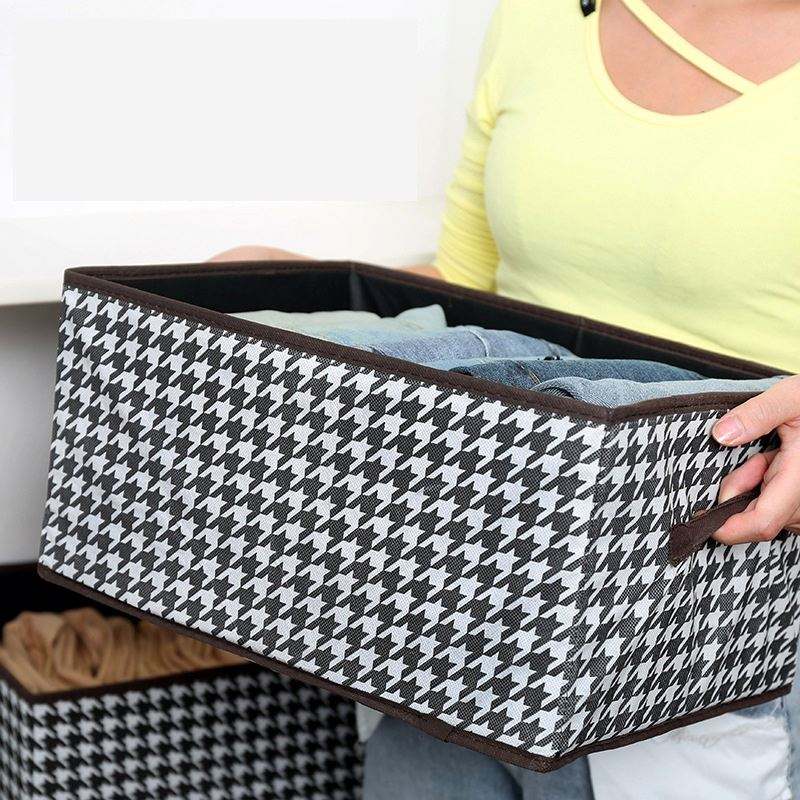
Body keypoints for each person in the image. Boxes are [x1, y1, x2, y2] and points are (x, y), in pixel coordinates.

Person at [212, 0, 800, 795]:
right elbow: (472, 294)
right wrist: (297, 297)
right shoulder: (542, 13)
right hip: (468, 575)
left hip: (715, 607)